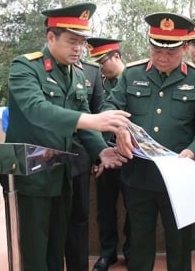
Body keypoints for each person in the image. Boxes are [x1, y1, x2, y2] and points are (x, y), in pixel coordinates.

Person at [1, 2, 131, 271]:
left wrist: (100, 151)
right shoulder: (25, 67)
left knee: (57, 247)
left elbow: (82, 114)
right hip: (33, 175)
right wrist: (94, 120)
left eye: (82, 43)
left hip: (63, 174)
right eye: (72, 41)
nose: (78, 49)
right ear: (51, 38)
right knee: (36, 251)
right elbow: (36, 110)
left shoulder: (77, 72)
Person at [103, 12, 195, 271]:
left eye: (172, 52)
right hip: (138, 176)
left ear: (185, 48)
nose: (163, 58)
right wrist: (118, 130)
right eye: (157, 50)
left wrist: (194, 151)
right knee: (139, 245)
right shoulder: (131, 75)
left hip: (179, 179)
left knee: (180, 245)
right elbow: (110, 107)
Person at [87, 37, 130, 271]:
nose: (99, 67)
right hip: (106, 157)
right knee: (105, 208)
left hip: (131, 156)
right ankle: (107, 252)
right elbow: (91, 120)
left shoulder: (135, 79)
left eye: (103, 61)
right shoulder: (97, 83)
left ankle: (132, 250)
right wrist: (98, 155)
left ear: (117, 57)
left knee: (134, 208)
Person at [63, 53, 103, 271]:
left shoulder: (89, 71)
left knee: (79, 219)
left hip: (80, 158)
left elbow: (96, 114)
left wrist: (99, 153)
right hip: (48, 159)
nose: (76, 46)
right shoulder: (32, 68)